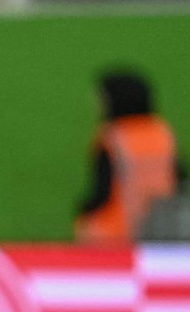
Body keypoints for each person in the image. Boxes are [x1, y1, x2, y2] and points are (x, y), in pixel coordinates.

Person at [77, 70, 183, 245]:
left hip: (111, 238)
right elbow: (180, 181)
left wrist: (83, 210)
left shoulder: (112, 138)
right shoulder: (162, 133)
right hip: (160, 234)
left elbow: (102, 191)